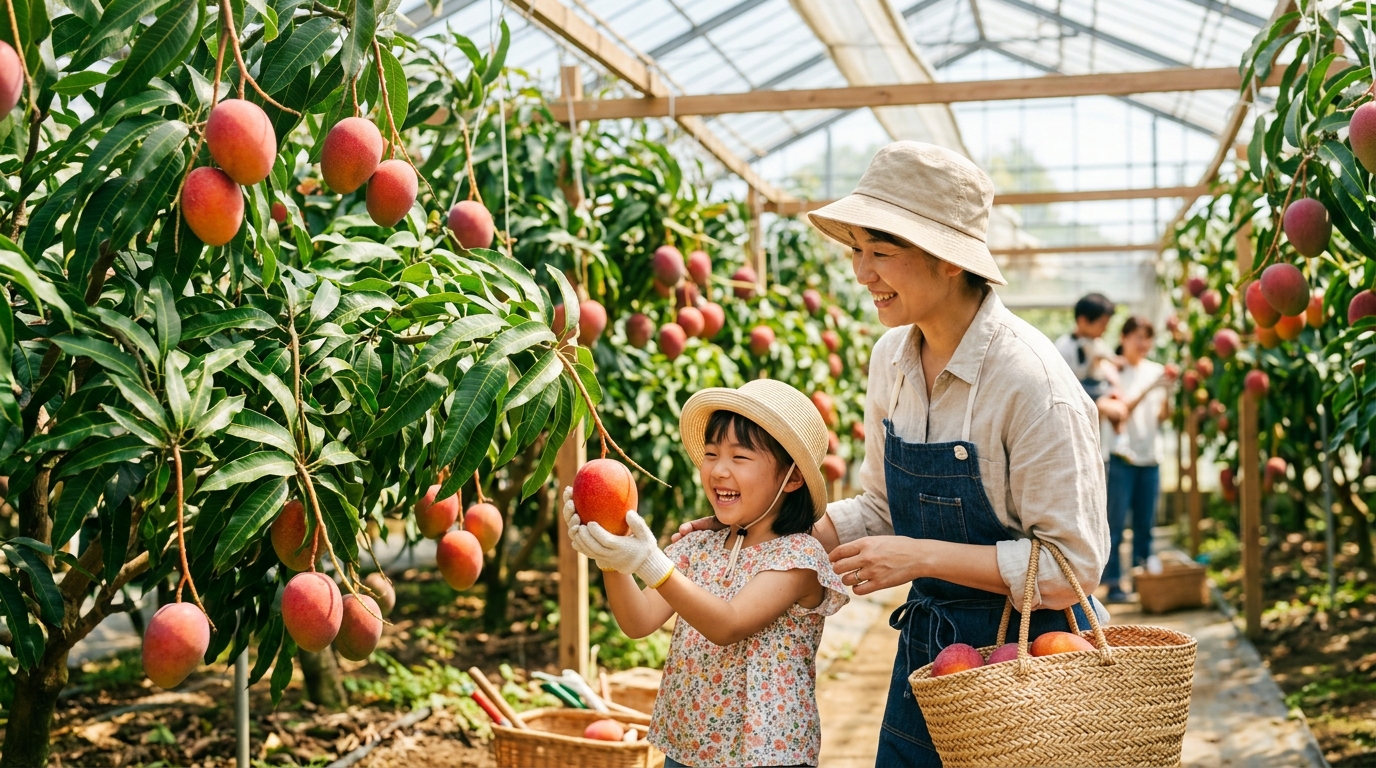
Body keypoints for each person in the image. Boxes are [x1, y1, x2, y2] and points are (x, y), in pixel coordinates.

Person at [676, 141, 1110, 767]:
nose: (861, 272)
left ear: (948, 262)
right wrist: (762, 537)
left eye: (881, 252)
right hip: (931, 656)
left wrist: (921, 556)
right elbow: (880, 504)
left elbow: (1075, 564)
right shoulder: (893, 361)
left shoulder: (1032, 382)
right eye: (857, 249)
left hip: (1032, 663)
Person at [564, 379, 849, 768]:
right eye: (712, 454)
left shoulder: (798, 558)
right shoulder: (699, 547)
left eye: (740, 457)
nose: (718, 470)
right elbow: (638, 620)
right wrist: (611, 556)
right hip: (689, 747)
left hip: (766, 754)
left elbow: (727, 624)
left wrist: (650, 564)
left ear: (792, 478)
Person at [1101, 315, 1175, 603]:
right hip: (1121, 458)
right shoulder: (1112, 372)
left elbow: (1163, 417)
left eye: (1148, 337)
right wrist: (1151, 388)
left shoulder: (1155, 371)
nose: (1144, 344)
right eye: (1138, 337)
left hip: (1149, 458)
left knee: (1145, 524)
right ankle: (1115, 583)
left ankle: (1143, 582)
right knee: (1116, 525)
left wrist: (1166, 393)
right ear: (1124, 338)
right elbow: (1120, 411)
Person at [1056, 293, 1128, 430]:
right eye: (1102, 324)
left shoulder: (1097, 343)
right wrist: (1100, 402)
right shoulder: (1064, 349)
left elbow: (1110, 363)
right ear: (1083, 321)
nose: (1105, 329)